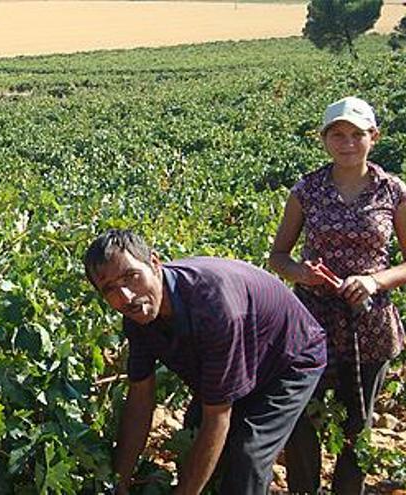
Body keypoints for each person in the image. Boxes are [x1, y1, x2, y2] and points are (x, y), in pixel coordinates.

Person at [83, 229, 326, 495]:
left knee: (247, 454)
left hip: (288, 358)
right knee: (193, 439)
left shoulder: (213, 308)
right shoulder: (138, 316)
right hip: (240, 354)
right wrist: (119, 483)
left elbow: (218, 417)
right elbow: (140, 399)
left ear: (154, 263)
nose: (127, 296)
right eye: (110, 289)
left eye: (132, 277)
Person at [269, 96, 406, 494]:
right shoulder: (307, 190)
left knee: (356, 424)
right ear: (324, 139)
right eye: (338, 135)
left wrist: (374, 281)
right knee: (300, 418)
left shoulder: (393, 191)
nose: (347, 143)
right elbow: (279, 256)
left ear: (374, 137)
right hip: (311, 322)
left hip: (369, 323)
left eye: (356, 135)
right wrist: (303, 274)